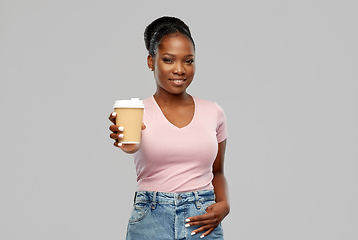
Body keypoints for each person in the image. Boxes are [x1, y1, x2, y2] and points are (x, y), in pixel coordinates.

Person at [109, 16, 230, 240]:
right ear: (150, 61)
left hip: (201, 218)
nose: (179, 69)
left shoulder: (214, 112)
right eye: (168, 60)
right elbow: (129, 145)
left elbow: (218, 172)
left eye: (188, 61)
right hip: (151, 218)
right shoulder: (137, 111)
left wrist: (224, 204)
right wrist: (123, 138)